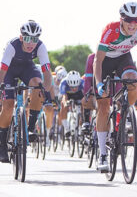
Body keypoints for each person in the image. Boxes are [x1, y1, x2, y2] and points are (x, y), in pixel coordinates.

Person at [93, 2, 137, 173]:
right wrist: (99, 83)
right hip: (105, 62)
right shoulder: (110, 30)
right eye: (128, 20)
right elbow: (98, 60)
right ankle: (102, 155)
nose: (132, 24)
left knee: (133, 81)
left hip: (123, 59)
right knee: (103, 106)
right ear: (121, 19)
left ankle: (125, 112)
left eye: (136, 20)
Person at [0, 21, 53, 162]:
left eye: (34, 39)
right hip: (9, 70)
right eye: (28, 38)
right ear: (21, 37)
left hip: (27, 68)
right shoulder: (12, 46)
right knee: (8, 105)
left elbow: (47, 72)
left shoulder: (40, 47)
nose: (31, 43)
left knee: (38, 84)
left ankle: (30, 128)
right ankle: (2, 144)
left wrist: (45, 89)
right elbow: (3, 70)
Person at [59, 71, 85, 139]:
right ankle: (66, 129)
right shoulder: (63, 83)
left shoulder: (82, 82)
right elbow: (64, 97)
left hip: (79, 94)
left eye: (76, 87)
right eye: (72, 87)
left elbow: (85, 96)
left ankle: (80, 128)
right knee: (63, 106)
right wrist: (65, 103)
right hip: (68, 95)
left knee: (84, 107)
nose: (74, 89)